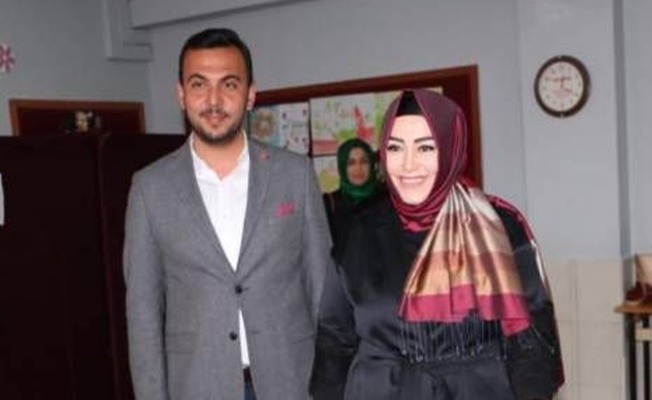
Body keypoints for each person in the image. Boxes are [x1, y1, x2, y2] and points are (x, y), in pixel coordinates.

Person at [310, 89, 563, 400]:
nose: (408, 165)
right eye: (395, 147)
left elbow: (531, 334)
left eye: (425, 147)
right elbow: (334, 337)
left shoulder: (498, 227)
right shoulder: (359, 232)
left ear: (450, 147)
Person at [123, 28, 332, 400]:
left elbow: (324, 296)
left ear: (250, 95)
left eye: (229, 84)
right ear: (181, 94)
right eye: (199, 85)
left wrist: (333, 387)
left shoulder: (294, 175)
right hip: (198, 386)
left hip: (292, 383)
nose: (214, 100)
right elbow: (143, 315)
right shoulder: (149, 189)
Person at [323, 138, 386, 249]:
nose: (358, 168)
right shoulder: (330, 202)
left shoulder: (385, 199)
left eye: (364, 161)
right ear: (342, 167)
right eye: (351, 163)